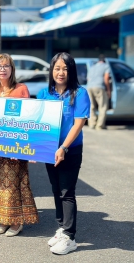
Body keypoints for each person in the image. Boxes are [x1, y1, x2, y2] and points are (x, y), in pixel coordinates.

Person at [37, 52, 90, 255]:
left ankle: (70, 236)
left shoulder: (80, 93)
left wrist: (64, 148)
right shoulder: (44, 93)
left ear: (71, 71)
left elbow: (78, 124)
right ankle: (62, 227)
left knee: (67, 192)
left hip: (70, 150)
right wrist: (34, 147)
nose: (60, 72)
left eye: (65, 68)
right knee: (55, 188)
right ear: (51, 70)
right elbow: (38, 123)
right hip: (50, 150)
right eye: (57, 68)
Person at [0, 54, 39, 237]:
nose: (2, 69)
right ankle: (3, 219)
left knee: (14, 183)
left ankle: (16, 222)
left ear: (12, 69)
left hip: (15, 147)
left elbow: (27, 119)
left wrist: (22, 147)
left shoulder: (21, 89)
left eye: (6, 66)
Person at [86, 54, 111, 130]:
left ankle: (92, 124)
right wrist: (108, 90)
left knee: (91, 106)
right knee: (102, 106)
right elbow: (106, 79)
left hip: (89, 87)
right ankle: (100, 125)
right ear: (104, 60)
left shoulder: (92, 67)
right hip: (99, 87)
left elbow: (88, 79)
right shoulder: (106, 66)